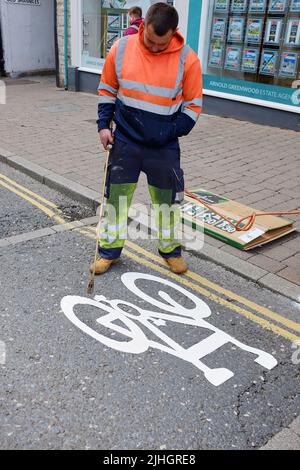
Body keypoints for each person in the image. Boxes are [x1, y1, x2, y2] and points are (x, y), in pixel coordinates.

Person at [92, 2, 203, 275]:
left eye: (160, 44)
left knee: (167, 203)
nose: (153, 48)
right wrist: (103, 126)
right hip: (126, 142)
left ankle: (170, 251)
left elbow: (193, 106)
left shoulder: (188, 59)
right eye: (149, 40)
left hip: (163, 147)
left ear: (174, 33)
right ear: (142, 26)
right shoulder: (121, 48)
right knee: (116, 200)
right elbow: (107, 89)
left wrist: (169, 132)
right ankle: (109, 252)